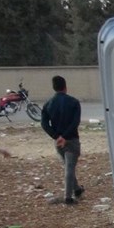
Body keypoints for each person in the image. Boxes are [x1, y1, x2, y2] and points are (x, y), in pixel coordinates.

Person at [41, 75, 84, 204]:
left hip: (58, 142)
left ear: (54, 88)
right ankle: (68, 197)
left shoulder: (48, 104)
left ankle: (77, 189)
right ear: (65, 87)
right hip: (71, 139)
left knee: (67, 165)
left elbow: (44, 123)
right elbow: (75, 122)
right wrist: (65, 136)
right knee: (69, 168)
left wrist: (56, 136)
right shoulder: (74, 102)